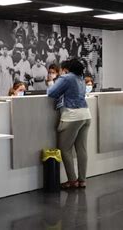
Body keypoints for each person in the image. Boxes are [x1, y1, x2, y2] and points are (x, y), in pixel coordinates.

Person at [47, 59, 91, 189]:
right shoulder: (81, 78)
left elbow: (51, 93)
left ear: (66, 68)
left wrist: (51, 83)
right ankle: (82, 180)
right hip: (86, 115)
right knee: (81, 149)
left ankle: (72, 180)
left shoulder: (66, 78)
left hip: (72, 116)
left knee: (65, 149)